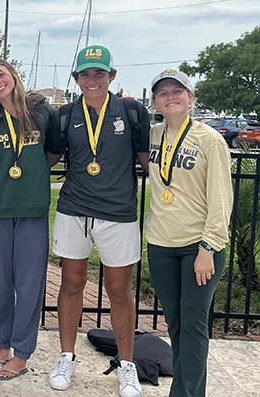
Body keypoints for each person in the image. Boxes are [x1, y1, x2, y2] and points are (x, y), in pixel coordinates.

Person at [45, 45, 149, 397]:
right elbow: (48, 158)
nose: (92, 80)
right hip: (73, 209)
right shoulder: (64, 115)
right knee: (71, 284)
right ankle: (66, 357)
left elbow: (148, 161)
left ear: (112, 76)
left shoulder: (132, 111)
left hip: (118, 213)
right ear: (76, 78)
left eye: (99, 73)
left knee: (119, 291)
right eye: (85, 74)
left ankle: (127, 365)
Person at [146, 69, 232, 397]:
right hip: (161, 243)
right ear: (155, 101)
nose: (171, 97)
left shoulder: (209, 139)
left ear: (190, 97)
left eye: (177, 91)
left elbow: (221, 198)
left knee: (194, 328)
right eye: (163, 92)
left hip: (199, 247)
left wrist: (208, 247)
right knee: (176, 326)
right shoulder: (153, 134)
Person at [0, 59, 54, 380]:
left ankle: (22, 352)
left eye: (0, 74)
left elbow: (53, 152)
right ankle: (3, 344)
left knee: (29, 283)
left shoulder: (42, 112)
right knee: (3, 284)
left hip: (32, 209)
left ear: (13, 76)